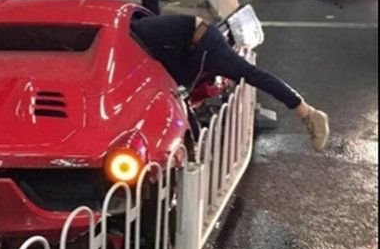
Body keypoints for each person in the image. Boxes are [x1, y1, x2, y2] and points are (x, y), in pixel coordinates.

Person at [131, 14, 330, 152]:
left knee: (250, 74)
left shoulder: (132, 40)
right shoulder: (135, 32)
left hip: (204, 45)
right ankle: (196, 146)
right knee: (181, 95)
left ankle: (308, 113)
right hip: (196, 44)